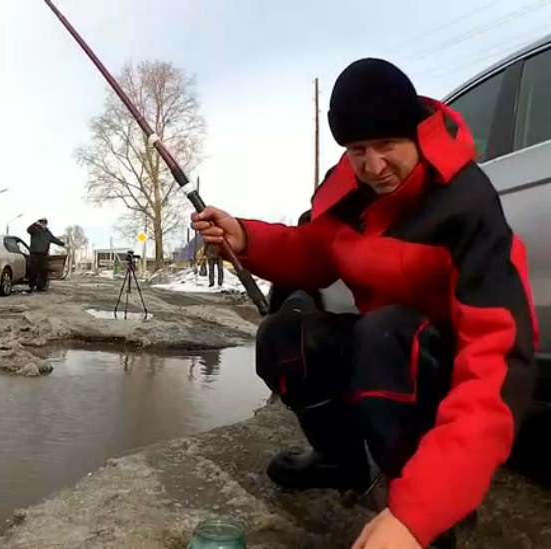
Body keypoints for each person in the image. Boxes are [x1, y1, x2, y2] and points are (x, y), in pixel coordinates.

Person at [191, 58, 538, 549]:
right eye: (358, 150)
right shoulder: (350, 187)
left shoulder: (468, 207)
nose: (373, 167)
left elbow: (498, 366)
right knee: (285, 335)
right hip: (384, 354)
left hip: (440, 377)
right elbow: (314, 251)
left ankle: (417, 495)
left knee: (384, 332)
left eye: (387, 145)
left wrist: (417, 515)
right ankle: (341, 460)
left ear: (415, 134)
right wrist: (244, 237)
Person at [26, 218, 65, 291]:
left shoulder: (47, 233)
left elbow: (54, 239)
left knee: (43, 271)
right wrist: (35, 224)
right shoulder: (35, 230)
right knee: (33, 270)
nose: (44, 225)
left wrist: (63, 244)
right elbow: (28, 230)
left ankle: (41, 286)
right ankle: (31, 286)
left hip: (44, 255)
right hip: (35, 254)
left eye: (45, 223)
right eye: (42, 223)